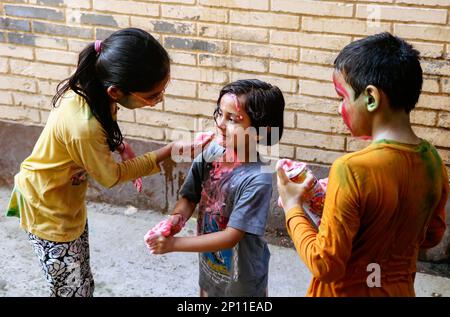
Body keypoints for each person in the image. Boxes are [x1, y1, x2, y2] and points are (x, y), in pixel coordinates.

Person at [5, 27, 212, 297]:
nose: (157, 101)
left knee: (81, 277)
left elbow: (96, 136)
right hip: (48, 208)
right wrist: (170, 150)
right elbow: (110, 176)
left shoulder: (92, 90)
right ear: (115, 91)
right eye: (151, 96)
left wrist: (119, 145)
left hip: (64, 196)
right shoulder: (84, 126)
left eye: (162, 92)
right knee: (70, 288)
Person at [277, 32, 448, 297]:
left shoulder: (351, 169)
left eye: (341, 97)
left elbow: (325, 264)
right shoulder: (433, 160)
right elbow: (432, 235)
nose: (338, 108)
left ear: (371, 98)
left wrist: (292, 207)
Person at [145, 79, 285, 297]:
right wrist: (175, 220)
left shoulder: (258, 179)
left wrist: (173, 244)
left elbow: (231, 236)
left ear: (260, 131)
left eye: (233, 119)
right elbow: (189, 197)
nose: (220, 123)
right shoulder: (210, 153)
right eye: (219, 113)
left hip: (243, 275)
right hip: (210, 264)